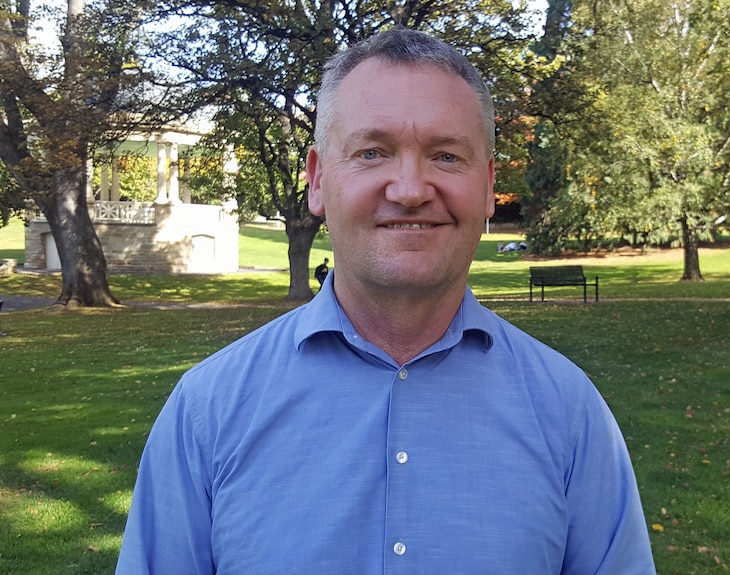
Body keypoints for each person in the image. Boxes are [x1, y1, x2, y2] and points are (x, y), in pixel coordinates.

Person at [116, 28, 656, 574]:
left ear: (490, 185)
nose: (409, 189)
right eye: (372, 152)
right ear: (319, 179)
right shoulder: (207, 412)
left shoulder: (569, 414)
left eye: (446, 156)